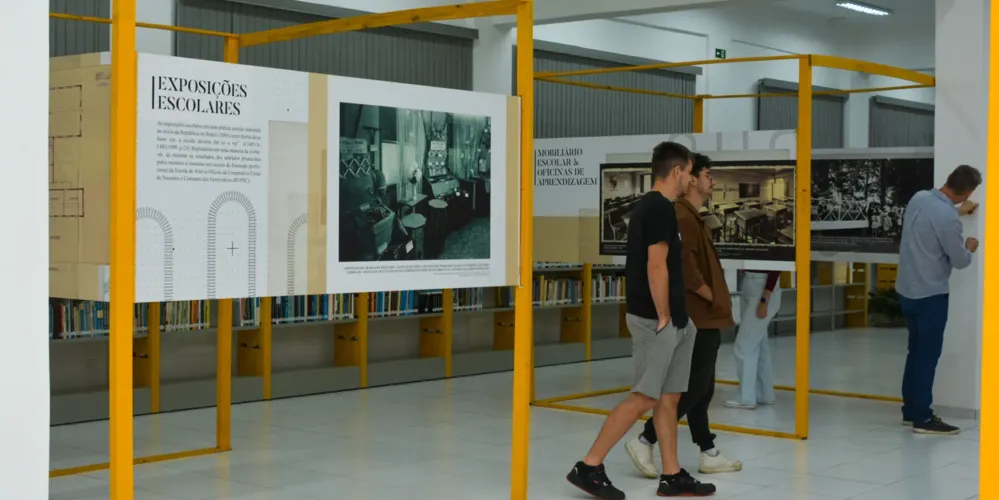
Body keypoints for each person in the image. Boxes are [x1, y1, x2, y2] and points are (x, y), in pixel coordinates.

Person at [566, 142, 715, 499]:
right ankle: (588, 466)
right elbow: (656, 265)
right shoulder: (658, 207)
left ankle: (672, 475)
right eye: (689, 172)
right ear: (677, 171)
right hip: (655, 319)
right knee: (644, 397)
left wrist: (678, 319)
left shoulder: (660, 207)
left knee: (669, 399)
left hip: (676, 320)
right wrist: (663, 313)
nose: (691, 179)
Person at [625, 153, 742, 478]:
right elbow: (683, 269)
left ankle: (707, 449)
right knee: (694, 386)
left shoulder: (691, 215)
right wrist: (713, 297)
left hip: (704, 315)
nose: (711, 181)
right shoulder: (682, 216)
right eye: (705, 174)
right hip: (698, 314)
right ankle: (645, 439)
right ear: (688, 177)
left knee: (702, 388)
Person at [895, 164, 981, 435]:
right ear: (968, 192)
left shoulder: (920, 198)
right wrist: (969, 247)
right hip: (930, 295)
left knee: (915, 352)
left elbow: (933, 221)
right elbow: (960, 260)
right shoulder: (948, 218)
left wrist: (958, 212)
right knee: (927, 357)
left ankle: (911, 411)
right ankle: (923, 417)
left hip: (907, 290)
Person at [725, 269, 782, 409]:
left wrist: (764, 299)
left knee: (744, 346)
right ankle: (764, 394)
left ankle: (746, 398)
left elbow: (775, 268)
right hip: (750, 283)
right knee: (760, 345)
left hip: (762, 289)